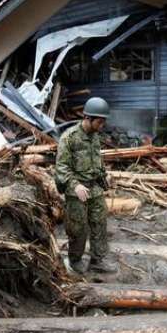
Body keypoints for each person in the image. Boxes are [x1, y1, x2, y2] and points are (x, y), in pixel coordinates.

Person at [55, 97, 117, 274]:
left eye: (103, 121)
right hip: (76, 190)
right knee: (78, 227)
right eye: (100, 121)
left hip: (94, 186)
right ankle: (75, 260)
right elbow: (61, 167)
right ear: (88, 118)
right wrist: (75, 185)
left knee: (99, 222)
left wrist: (104, 177)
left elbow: (97, 161)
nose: (102, 125)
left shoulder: (95, 136)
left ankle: (97, 260)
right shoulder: (69, 138)